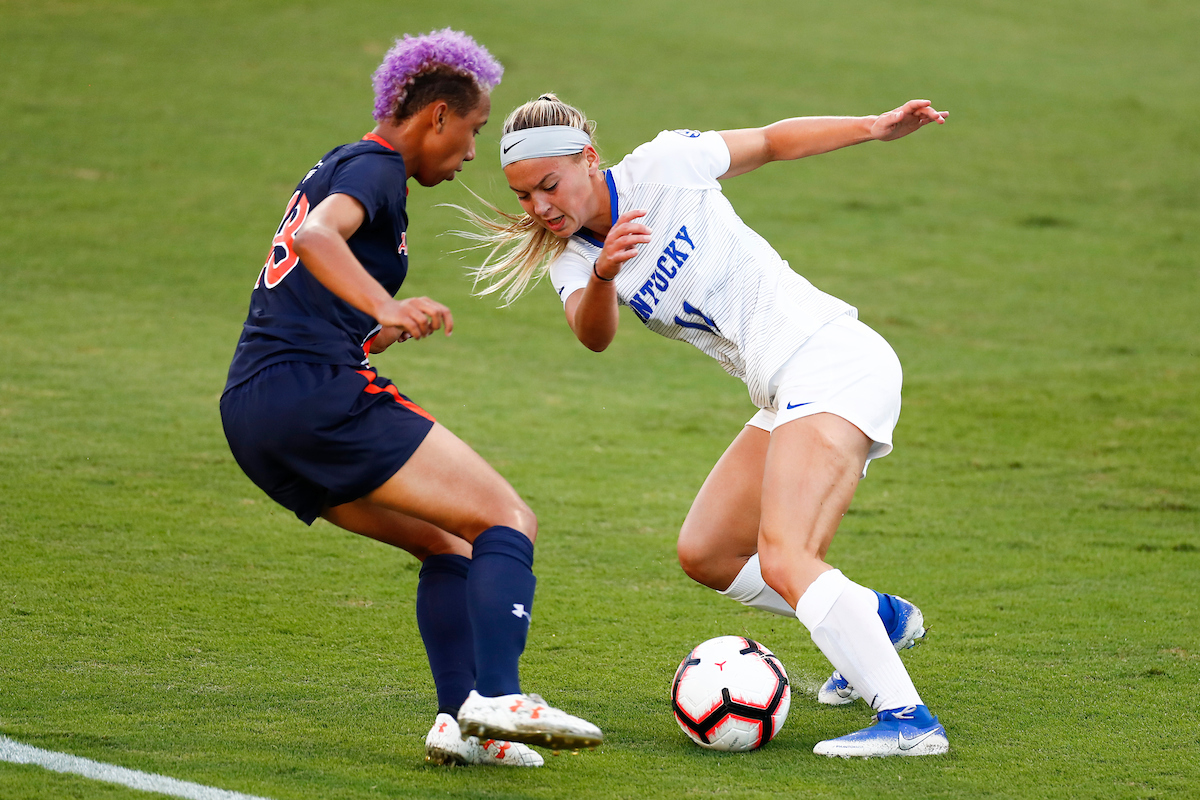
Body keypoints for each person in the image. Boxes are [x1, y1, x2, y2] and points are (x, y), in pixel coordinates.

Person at [462, 93, 950, 758]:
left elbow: (773, 141)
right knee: (708, 552)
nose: (541, 207)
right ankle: (878, 616)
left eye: (549, 185)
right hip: (784, 387)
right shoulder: (572, 257)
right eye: (524, 196)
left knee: (784, 556)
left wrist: (873, 128)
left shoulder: (664, 166)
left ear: (588, 159)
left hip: (829, 359)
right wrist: (603, 274)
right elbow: (592, 335)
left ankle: (908, 721)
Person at [218, 34, 602, 767]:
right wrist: (385, 307)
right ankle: (499, 696)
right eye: (474, 132)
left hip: (253, 410)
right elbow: (316, 238)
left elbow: (306, 276)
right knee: (507, 518)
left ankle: (460, 727)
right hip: (314, 394)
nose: (470, 155)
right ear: (435, 117)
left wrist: (367, 321)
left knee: (448, 542)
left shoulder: (341, 161)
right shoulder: (376, 166)